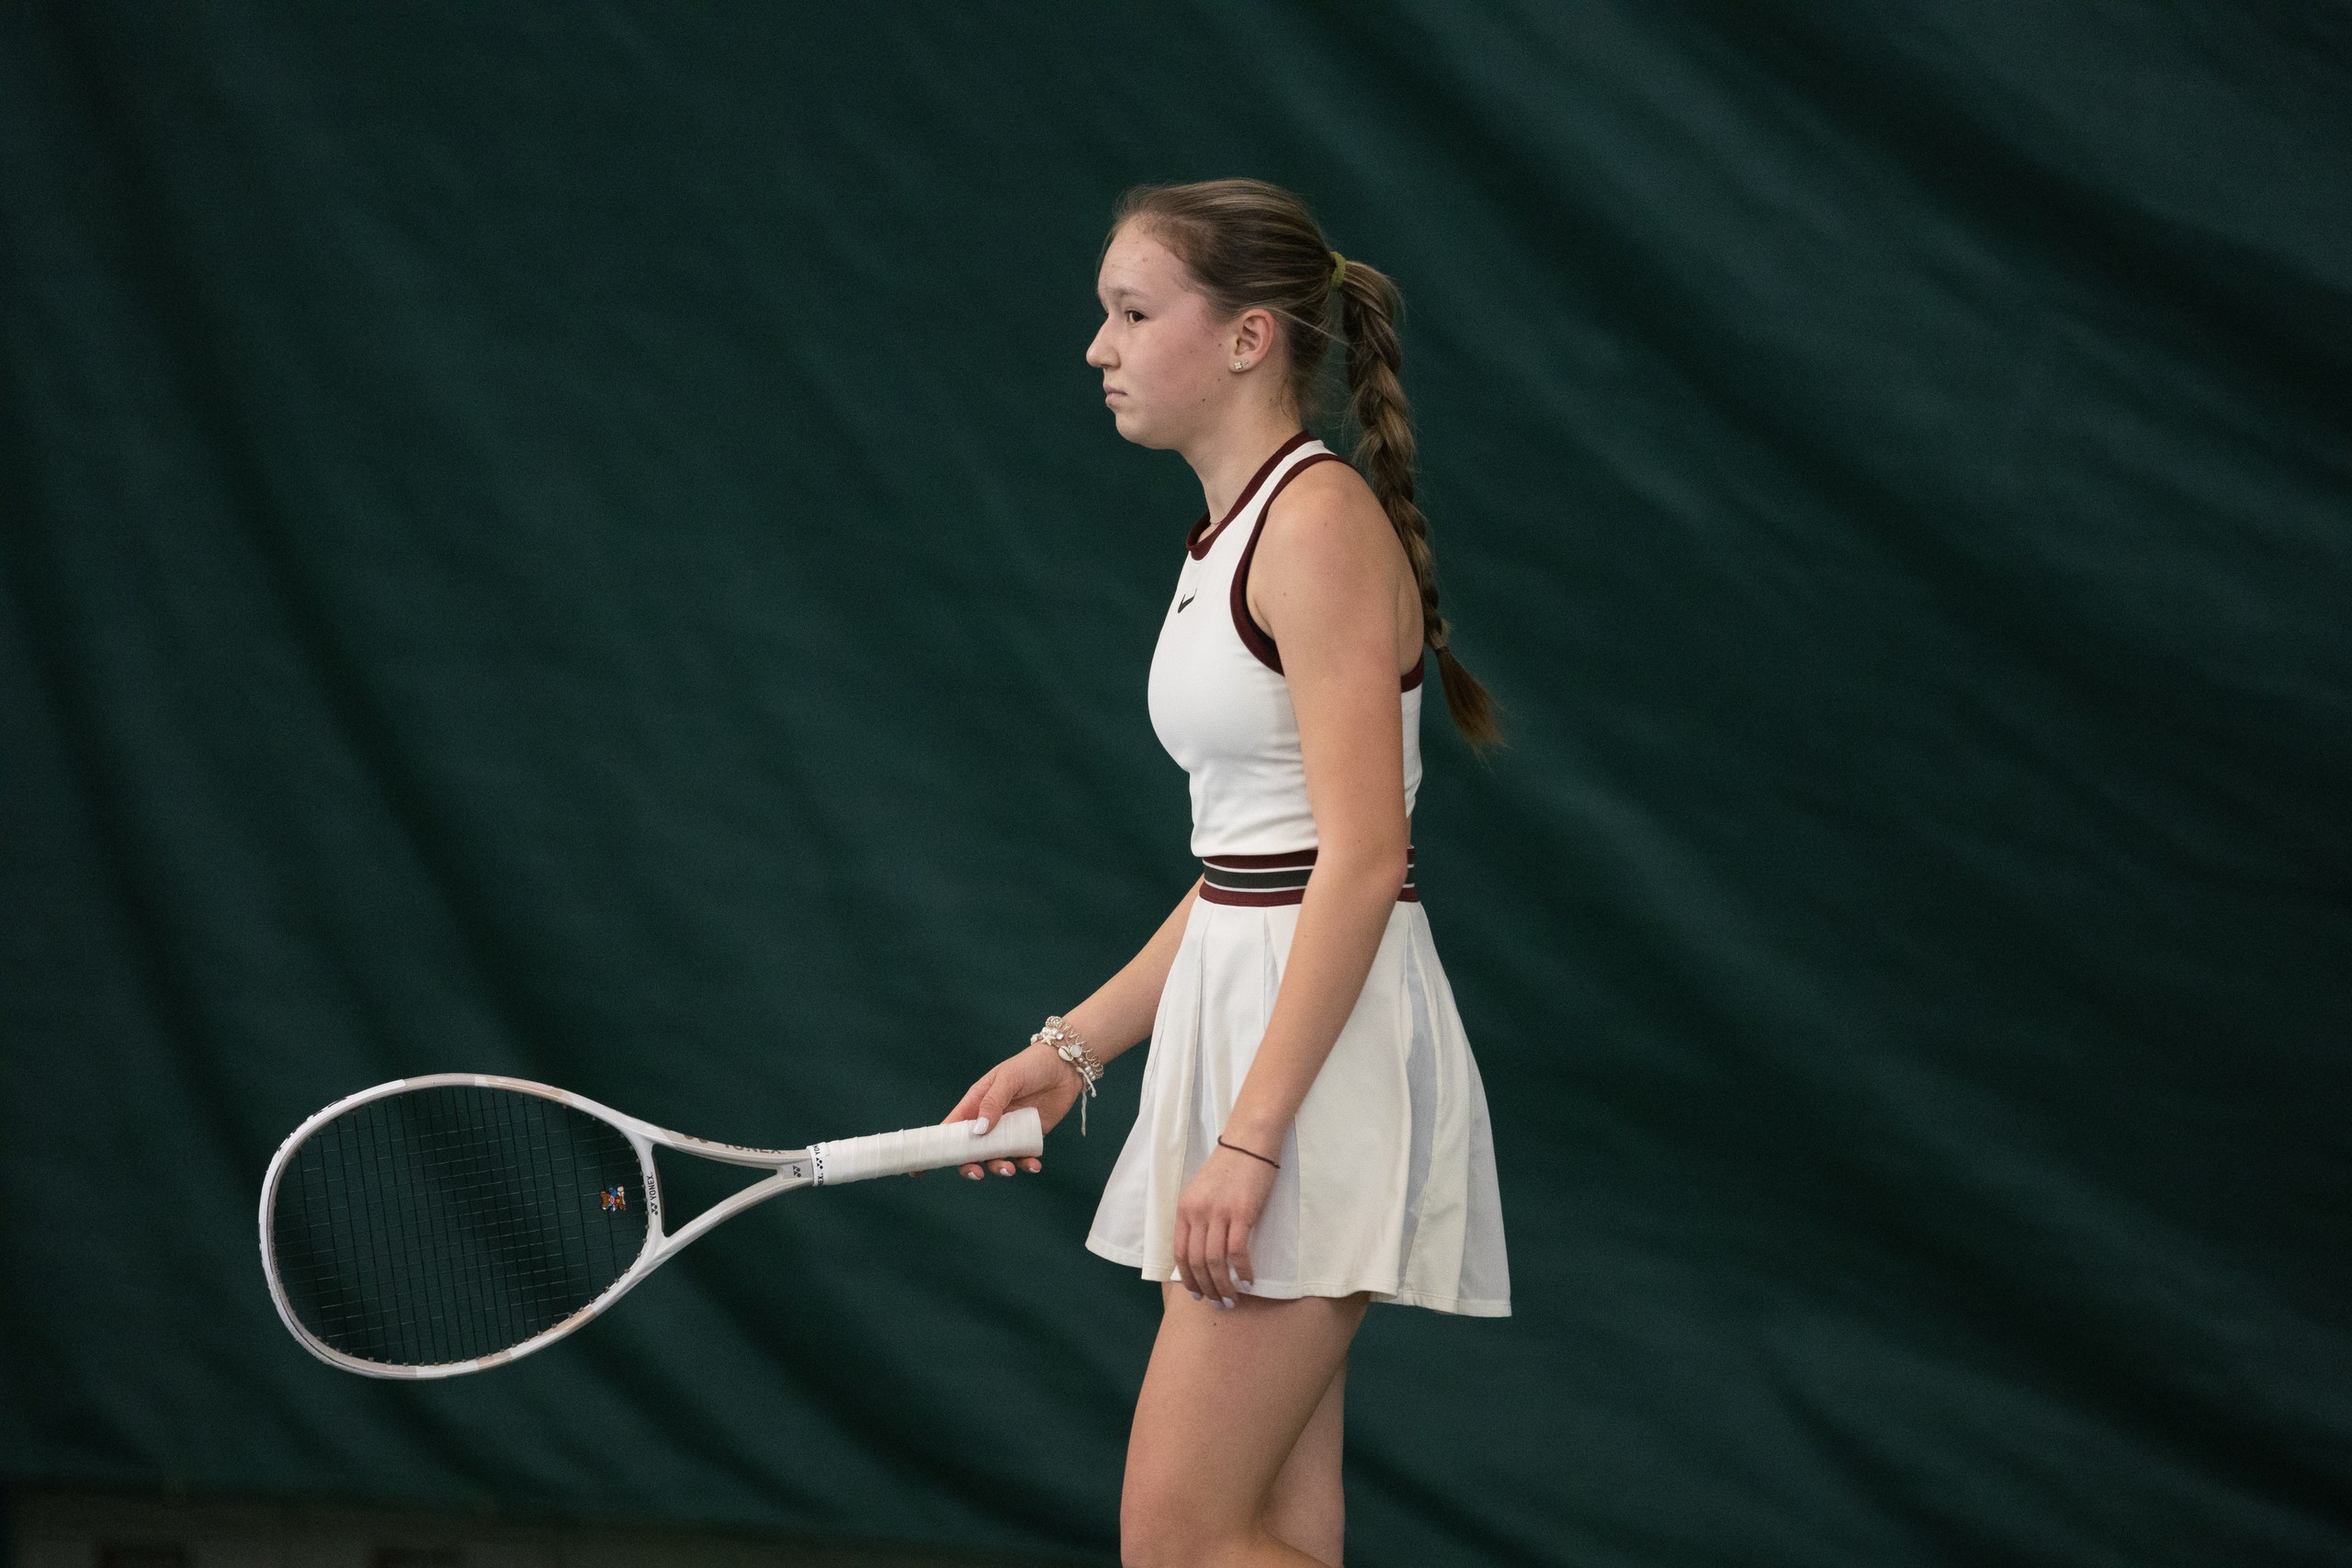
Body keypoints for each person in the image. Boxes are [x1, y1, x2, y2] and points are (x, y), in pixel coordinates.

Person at [940, 178, 1510, 1568]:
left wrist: (1252, 1140)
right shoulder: (1236, 534)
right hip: (1259, 1035)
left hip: (1310, 1071)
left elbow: (1363, 863)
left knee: (1182, 1540)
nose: (1099, 347)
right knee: (1267, 1535)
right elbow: (1244, 872)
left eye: (1134, 314)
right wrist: (1070, 1052)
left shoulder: (1313, 528)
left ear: (1249, 338)